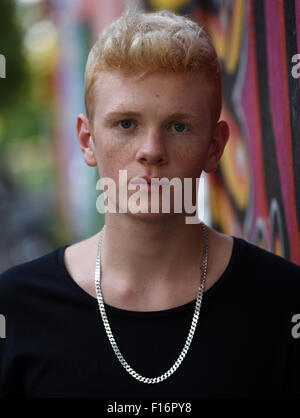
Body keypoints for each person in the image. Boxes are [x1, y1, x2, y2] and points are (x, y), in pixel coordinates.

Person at [0, 6, 300, 400]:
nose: (152, 151)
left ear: (215, 147)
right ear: (87, 140)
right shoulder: (17, 308)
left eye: (179, 126)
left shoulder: (283, 303)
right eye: (126, 124)